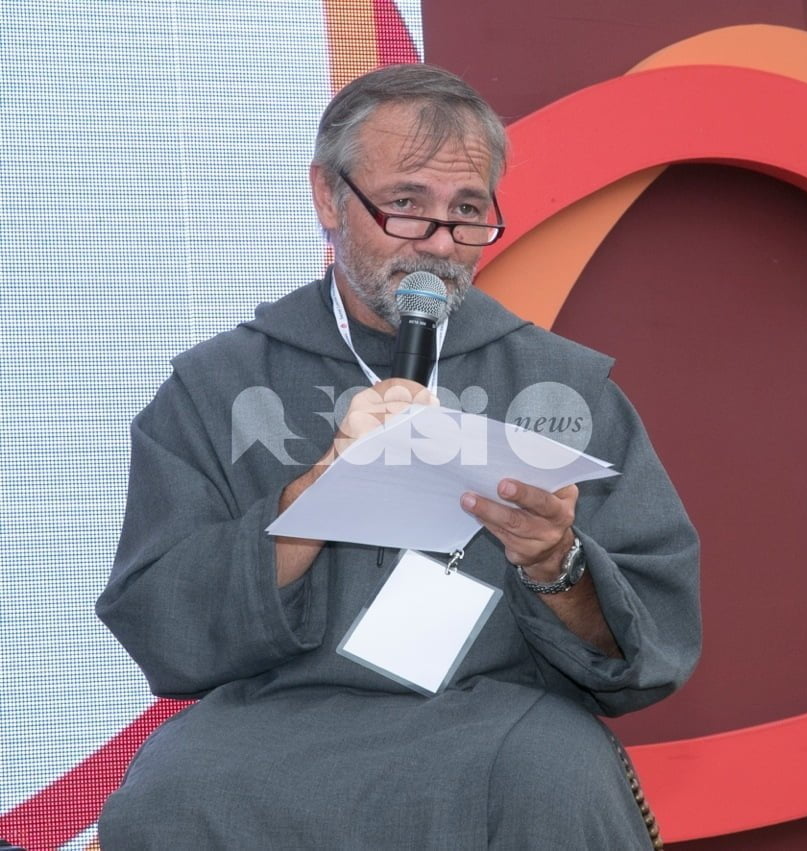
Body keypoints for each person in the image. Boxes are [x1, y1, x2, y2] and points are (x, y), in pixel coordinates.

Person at [96, 64, 700, 848]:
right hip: (269, 721)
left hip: (497, 721)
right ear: (328, 197)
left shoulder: (563, 386)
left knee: (560, 776)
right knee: (170, 794)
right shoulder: (215, 386)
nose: (440, 244)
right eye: (407, 205)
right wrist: (310, 501)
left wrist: (556, 562)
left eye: (468, 210)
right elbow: (158, 616)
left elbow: (650, 644)